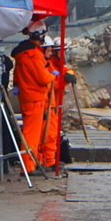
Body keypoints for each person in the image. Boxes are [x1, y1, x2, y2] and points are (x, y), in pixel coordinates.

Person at [11, 20, 57, 173]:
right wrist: (53, 75)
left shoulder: (23, 54)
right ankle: (28, 167)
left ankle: (33, 163)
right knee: (31, 135)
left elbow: (17, 77)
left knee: (32, 133)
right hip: (35, 98)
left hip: (28, 96)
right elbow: (43, 78)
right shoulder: (33, 55)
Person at [41, 36, 76, 171]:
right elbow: (51, 83)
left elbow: (65, 70)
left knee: (54, 133)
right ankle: (49, 161)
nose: (64, 54)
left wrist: (70, 73)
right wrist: (65, 80)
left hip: (54, 104)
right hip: (48, 103)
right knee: (49, 134)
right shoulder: (49, 64)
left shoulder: (57, 64)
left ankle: (51, 159)